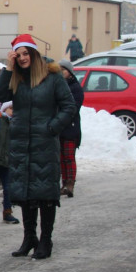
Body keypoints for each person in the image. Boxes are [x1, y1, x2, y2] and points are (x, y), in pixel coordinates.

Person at [0, 34, 76, 260]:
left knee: (45, 194)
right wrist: (8, 69)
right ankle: (29, 238)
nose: (22, 58)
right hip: (20, 142)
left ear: (34, 53)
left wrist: (52, 127)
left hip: (44, 142)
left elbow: (69, 106)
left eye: (25, 53)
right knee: (25, 193)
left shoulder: (52, 76)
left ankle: (45, 239)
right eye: (17, 55)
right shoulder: (16, 76)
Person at [58, 60, 85, 198]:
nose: (61, 72)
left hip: (71, 127)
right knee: (61, 157)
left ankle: (70, 184)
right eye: (60, 69)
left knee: (69, 157)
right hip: (60, 127)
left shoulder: (75, 87)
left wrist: (62, 115)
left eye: (64, 69)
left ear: (69, 72)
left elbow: (73, 107)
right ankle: (64, 183)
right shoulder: (58, 85)